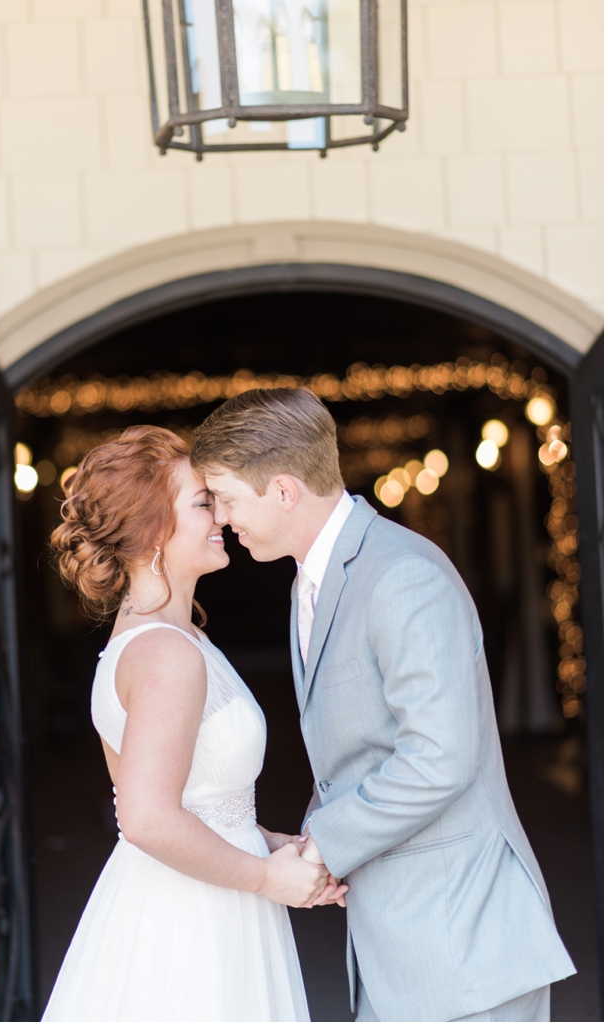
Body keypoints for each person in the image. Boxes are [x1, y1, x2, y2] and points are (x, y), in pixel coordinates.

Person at [191, 387, 576, 1022]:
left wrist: (322, 850)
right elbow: (356, 753)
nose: (223, 519)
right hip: (398, 941)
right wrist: (313, 837)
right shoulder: (311, 583)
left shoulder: (402, 575)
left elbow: (439, 759)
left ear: (283, 490)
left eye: (227, 499)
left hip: (463, 943)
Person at [42, 426, 341, 1022]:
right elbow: (148, 818)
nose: (221, 516)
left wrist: (275, 845)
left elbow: (193, 802)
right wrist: (264, 878)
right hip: (192, 920)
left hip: (193, 892)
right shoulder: (166, 654)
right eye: (202, 502)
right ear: (153, 530)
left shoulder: (165, 638)